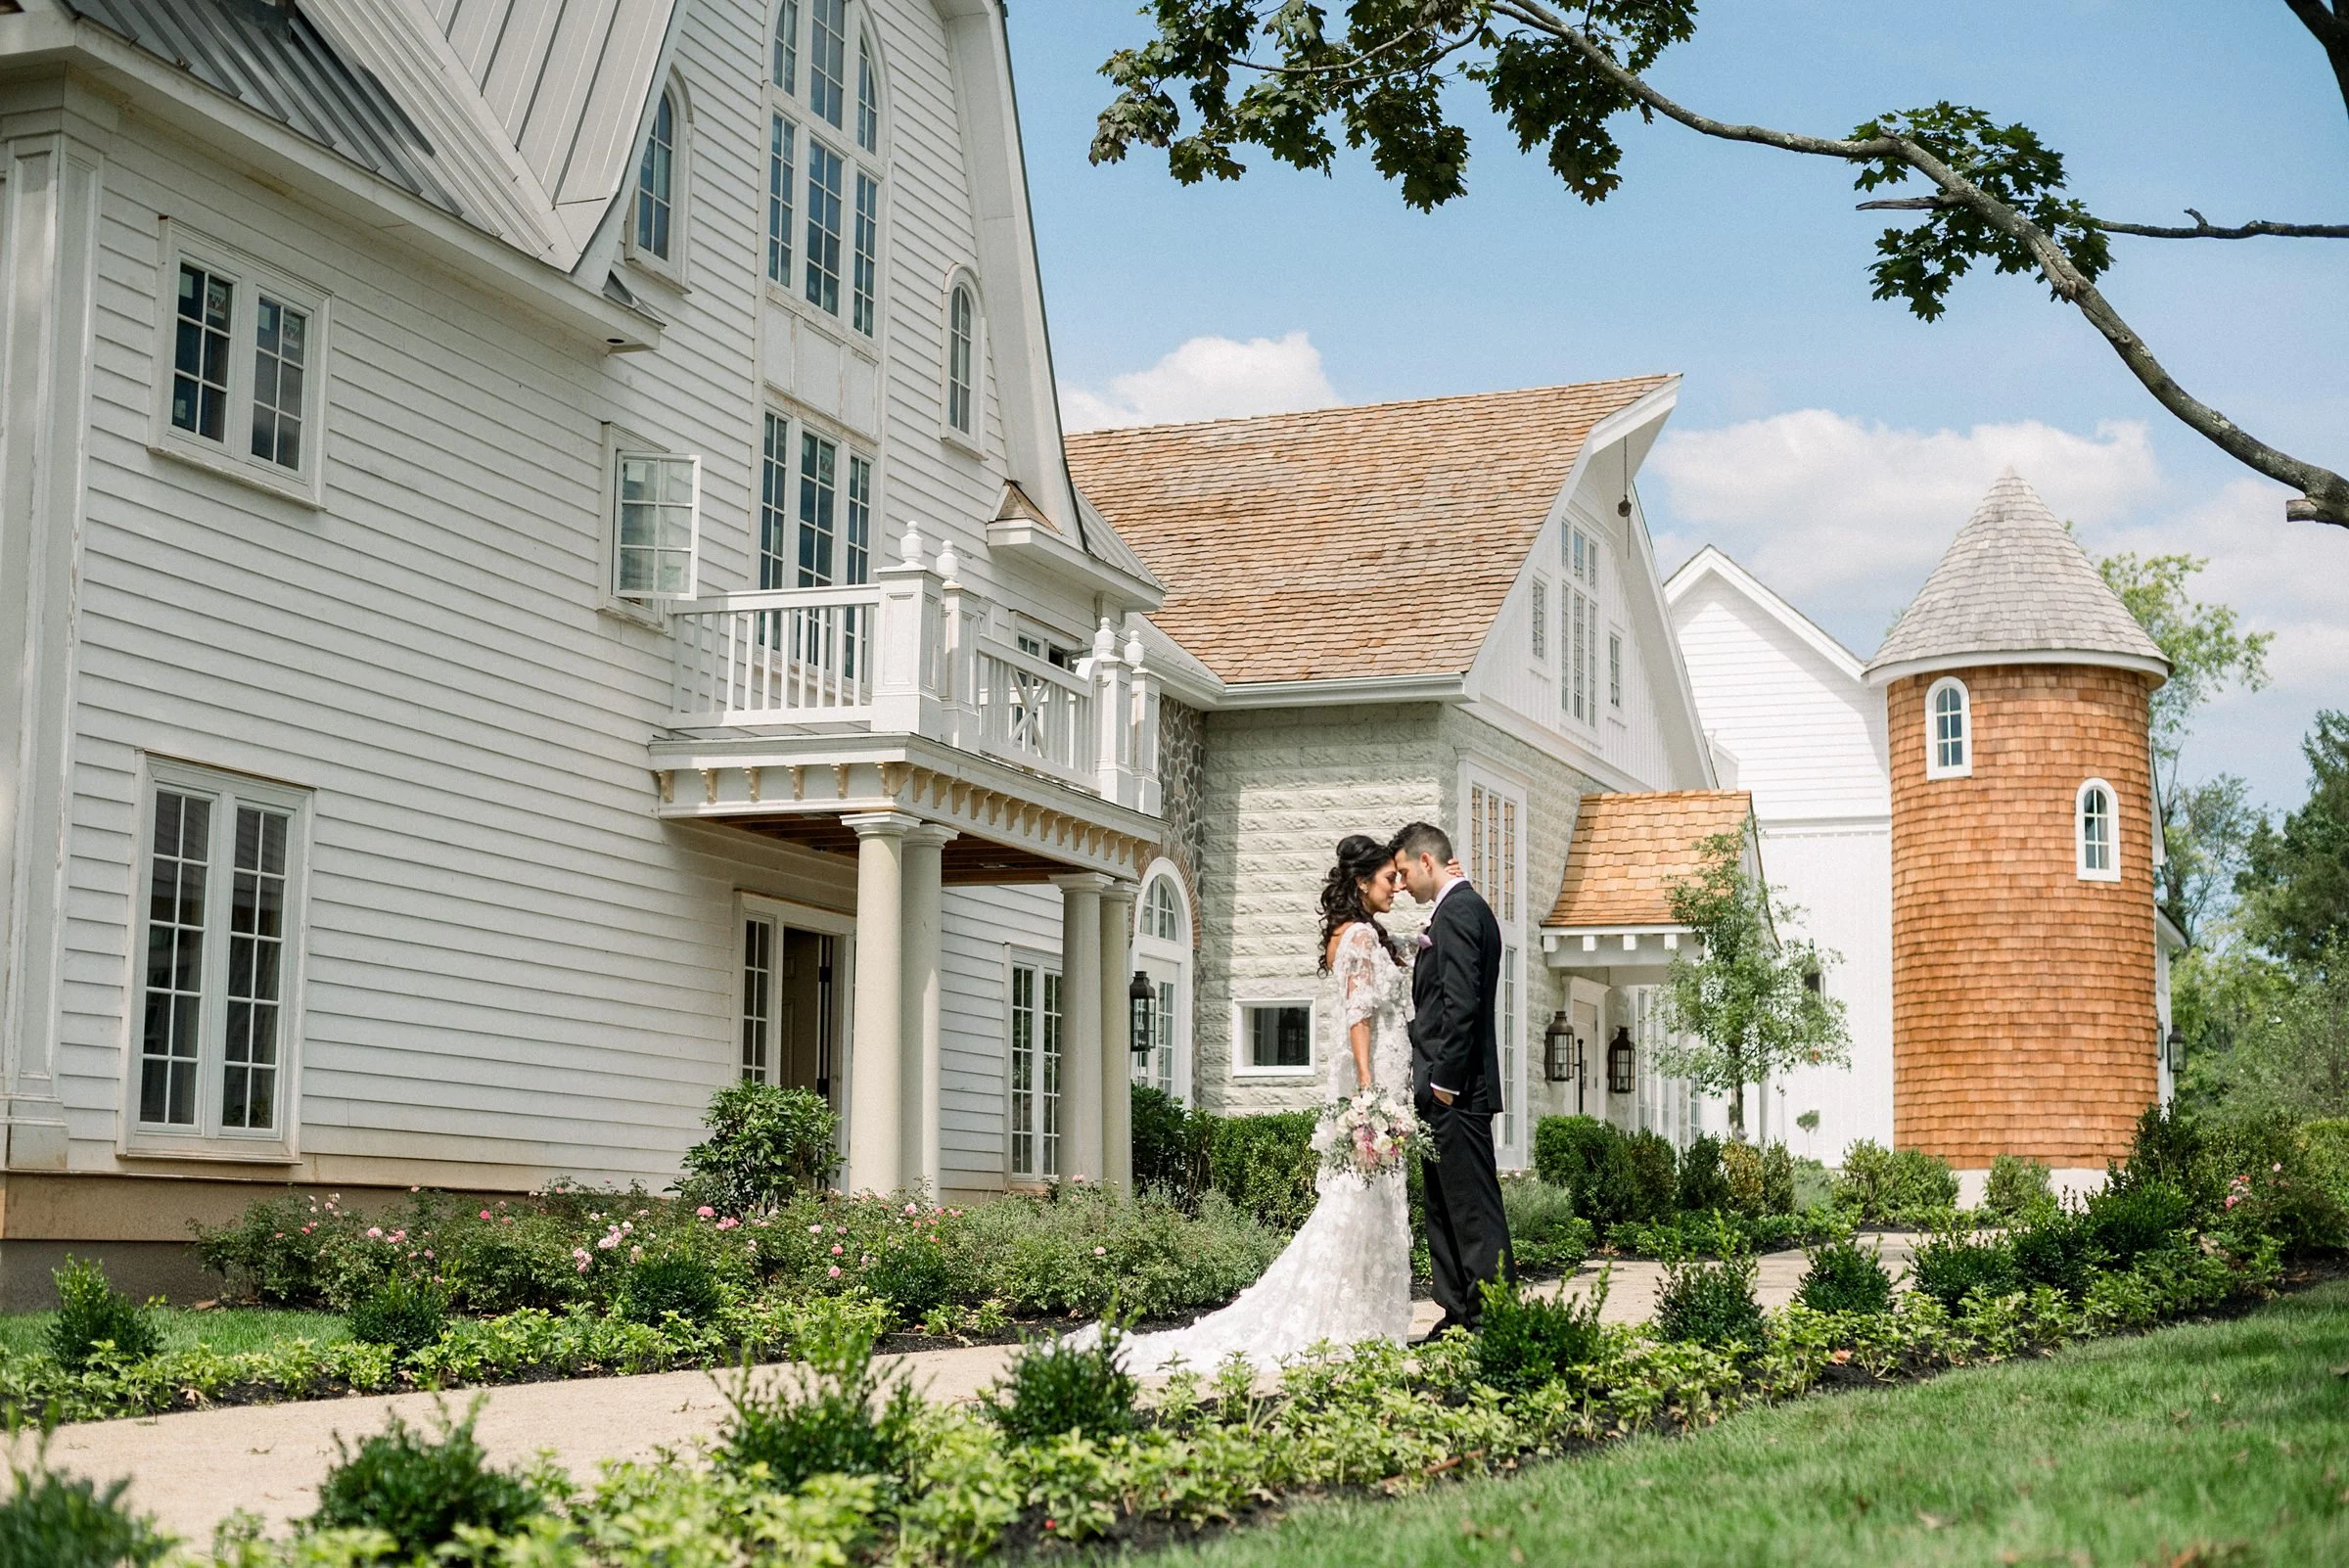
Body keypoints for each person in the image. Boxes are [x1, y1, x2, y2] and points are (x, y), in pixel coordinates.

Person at [1067, 833, 1416, 1373]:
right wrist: (1369, 1090)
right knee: (1361, 1205)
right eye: (1389, 879)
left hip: (1380, 1084)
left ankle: (1357, 1318)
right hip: (1374, 1089)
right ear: (1361, 882)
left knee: (1363, 1205)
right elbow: (1359, 1015)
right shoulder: (1362, 940)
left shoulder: (1353, 935)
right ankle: (1347, 1321)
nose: (1397, 887)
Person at [1394, 820, 1515, 1337]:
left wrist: (1443, 1082)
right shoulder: (1454, 909)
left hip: (1457, 1089)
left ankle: (1492, 1314)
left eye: (1403, 872)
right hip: (1443, 1089)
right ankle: (1460, 1311)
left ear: (1427, 861)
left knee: (1472, 1208)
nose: (1401, 886)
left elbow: (1461, 1003)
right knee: (1445, 1204)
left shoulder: (1461, 911)